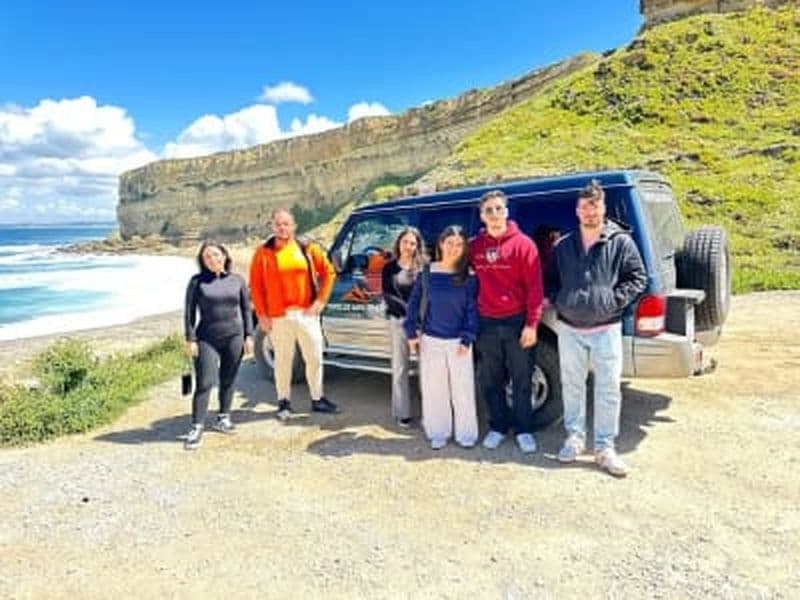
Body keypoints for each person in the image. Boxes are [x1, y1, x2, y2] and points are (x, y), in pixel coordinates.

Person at [548, 180, 647, 477]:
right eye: (584, 207)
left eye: (595, 207)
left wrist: (612, 301)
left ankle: (605, 448)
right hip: (570, 328)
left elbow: (637, 278)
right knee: (573, 385)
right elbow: (551, 280)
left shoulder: (620, 242)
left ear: (603, 208)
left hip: (606, 327)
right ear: (577, 211)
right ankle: (574, 439)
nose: (589, 212)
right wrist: (561, 300)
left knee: (608, 388)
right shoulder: (563, 245)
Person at [470, 190, 544, 453]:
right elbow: (459, 275)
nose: (494, 214)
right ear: (482, 216)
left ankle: (524, 430)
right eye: (488, 210)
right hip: (486, 323)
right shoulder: (475, 247)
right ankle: (498, 427)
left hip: (517, 322)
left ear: (507, 212)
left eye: (498, 208)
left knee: (522, 379)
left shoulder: (524, 245)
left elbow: (535, 288)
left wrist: (532, 324)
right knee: (491, 380)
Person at [249, 207, 338, 419]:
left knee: (314, 357)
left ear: (294, 226)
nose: (282, 228)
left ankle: (317, 399)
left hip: (306, 314)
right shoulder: (263, 253)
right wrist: (262, 315)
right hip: (279, 317)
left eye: (286, 224)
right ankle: (284, 402)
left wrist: (319, 302)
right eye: (278, 224)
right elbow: (256, 286)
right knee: (282, 360)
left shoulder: (306, 248)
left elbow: (329, 272)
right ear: (272, 226)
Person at [404, 225, 478, 450]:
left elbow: (472, 310)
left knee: (462, 389)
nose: (454, 248)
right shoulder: (427, 272)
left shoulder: (469, 276)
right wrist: (411, 332)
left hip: (459, 343)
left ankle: (466, 434)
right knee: (435, 390)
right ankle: (438, 432)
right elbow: (414, 304)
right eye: (450, 243)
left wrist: (468, 337)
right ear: (440, 245)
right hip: (431, 340)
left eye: (459, 244)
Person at [183, 240, 254, 450]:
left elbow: (247, 309)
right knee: (205, 382)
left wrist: (249, 336)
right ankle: (196, 426)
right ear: (202, 261)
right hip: (206, 338)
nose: (212, 259)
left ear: (224, 256)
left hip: (234, 336)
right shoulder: (197, 282)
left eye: (215, 255)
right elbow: (189, 313)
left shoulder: (237, 280)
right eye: (207, 257)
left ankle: (223, 417)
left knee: (229, 379)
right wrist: (190, 339)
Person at [381, 227, 427, 428]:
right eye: (405, 242)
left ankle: (430, 413)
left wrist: (417, 321)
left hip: (423, 326)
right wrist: (410, 316)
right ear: (399, 243)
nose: (409, 246)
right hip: (399, 322)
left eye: (413, 243)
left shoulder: (424, 267)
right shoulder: (389, 268)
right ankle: (402, 413)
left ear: (418, 246)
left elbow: (427, 296)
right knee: (400, 368)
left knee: (427, 371)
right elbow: (389, 296)